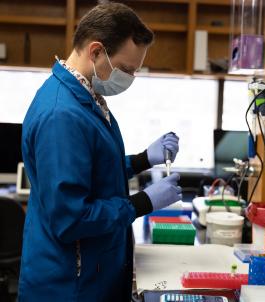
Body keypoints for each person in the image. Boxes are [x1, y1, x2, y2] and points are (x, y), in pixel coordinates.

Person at [18, 2, 181, 301]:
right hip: (68, 285)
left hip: (91, 273)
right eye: (126, 69)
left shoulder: (84, 96)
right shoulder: (61, 115)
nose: (130, 78)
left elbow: (94, 169)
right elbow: (71, 219)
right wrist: (142, 203)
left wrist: (144, 160)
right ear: (95, 52)